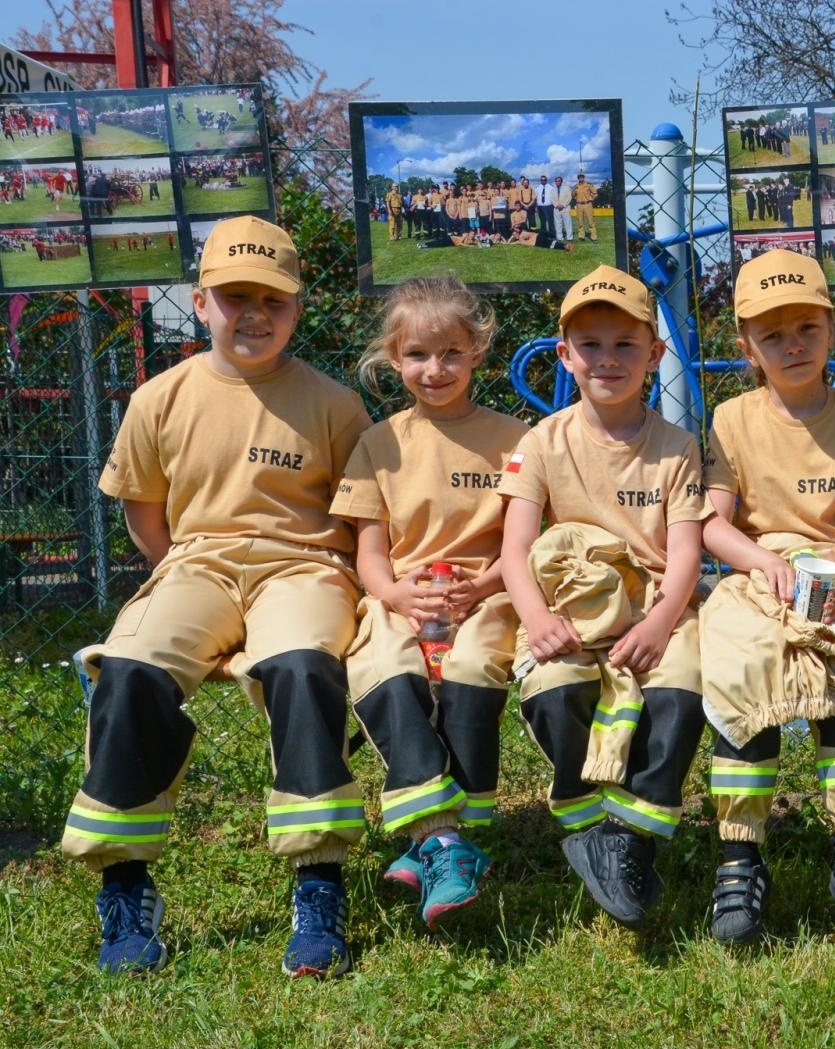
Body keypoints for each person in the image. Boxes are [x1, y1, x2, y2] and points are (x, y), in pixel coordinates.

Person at [59, 216, 372, 977]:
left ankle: (319, 882)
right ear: (200, 303)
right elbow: (145, 512)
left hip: (302, 567)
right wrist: (187, 580)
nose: (254, 314)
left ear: (297, 309)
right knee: (128, 669)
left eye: (274, 300)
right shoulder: (159, 398)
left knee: (301, 666)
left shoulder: (334, 405)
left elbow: (360, 516)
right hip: (197, 563)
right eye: (235, 297)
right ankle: (126, 887)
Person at [500, 266, 710, 928]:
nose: (608, 359)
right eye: (590, 345)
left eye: (626, 345)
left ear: (655, 354)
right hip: (570, 607)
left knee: (681, 688)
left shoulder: (676, 447)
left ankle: (631, 837)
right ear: (565, 355)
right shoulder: (541, 442)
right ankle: (587, 820)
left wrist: (660, 623)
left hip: (655, 607)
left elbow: (685, 553)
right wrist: (537, 619)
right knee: (555, 687)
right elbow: (514, 550)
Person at [699, 249, 835, 944]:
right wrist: (761, 562)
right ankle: (739, 856)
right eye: (772, 334)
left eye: (807, 327)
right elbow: (713, 524)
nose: (793, 345)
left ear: (832, 328)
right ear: (747, 345)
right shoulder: (730, 420)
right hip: (759, 581)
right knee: (738, 671)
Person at [334, 277, 525, 930]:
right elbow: (370, 551)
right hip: (403, 597)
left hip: (490, 593)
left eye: (451, 353)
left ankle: (437, 838)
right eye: (417, 354)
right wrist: (393, 594)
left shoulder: (515, 439)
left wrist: (486, 585)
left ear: (478, 352)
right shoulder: (378, 443)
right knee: (384, 662)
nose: (434, 369)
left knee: (472, 665)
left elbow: (526, 541)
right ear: (393, 358)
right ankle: (444, 841)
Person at [571, 171, 598, 242]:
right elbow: (573, 196)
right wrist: (573, 190)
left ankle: (593, 237)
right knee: (580, 222)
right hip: (579, 205)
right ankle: (581, 236)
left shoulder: (588, 185)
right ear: (578, 178)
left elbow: (595, 193)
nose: (581, 178)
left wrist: (592, 199)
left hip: (587, 204)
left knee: (591, 221)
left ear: (584, 177)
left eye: (582, 177)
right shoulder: (576, 186)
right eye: (579, 177)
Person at [552, 176, 573, 242]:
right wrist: (556, 205)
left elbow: (569, 198)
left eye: (559, 181)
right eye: (556, 181)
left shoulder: (567, 188)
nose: (557, 182)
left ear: (561, 181)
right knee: (558, 224)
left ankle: (569, 238)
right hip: (556, 209)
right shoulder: (553, 189)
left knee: (568, 223)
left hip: (565, 208)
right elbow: (551, 199)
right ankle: (559, 237)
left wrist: (563, 205)